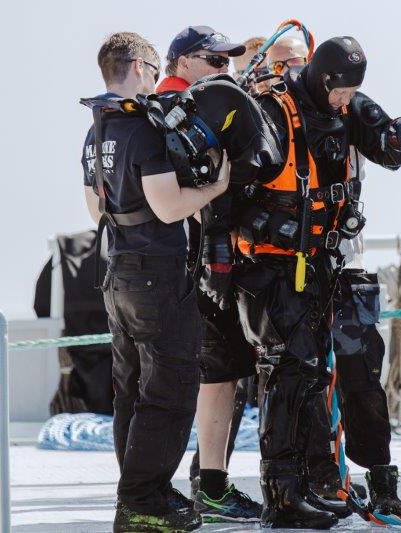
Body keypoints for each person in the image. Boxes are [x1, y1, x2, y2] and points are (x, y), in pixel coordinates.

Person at [229, 36, 401, 528]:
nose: (344, 100)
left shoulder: (351, 107)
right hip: (283, 267)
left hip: (337, 263)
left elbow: (387, 150)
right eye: (282, 61)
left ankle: (374, 481)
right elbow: (233, 191)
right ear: (319, 77)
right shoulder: (273, 111)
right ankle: (291, 489)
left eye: (294, 58)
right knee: (292, 373)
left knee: (355, 372)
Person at [81, 31, 230, 532]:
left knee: (130, 390)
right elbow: (168, 207)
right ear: (141, 67)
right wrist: (215, 187)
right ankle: (142, 500)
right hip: (157, 274)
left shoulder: (97, 127)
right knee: (170, 389)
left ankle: (140, 494)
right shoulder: (144, 125)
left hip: (117, 273)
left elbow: (96, 209)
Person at [156, 26, 264, 523]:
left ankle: (156, 491)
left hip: (158, 268)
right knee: (219, 374)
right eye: (214, 61)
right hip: (195, 267)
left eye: (228, 63)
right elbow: (212, 185)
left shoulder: (151, 112)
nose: (225, 71)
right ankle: (211, 488)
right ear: (181, 63)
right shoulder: (182, 113)